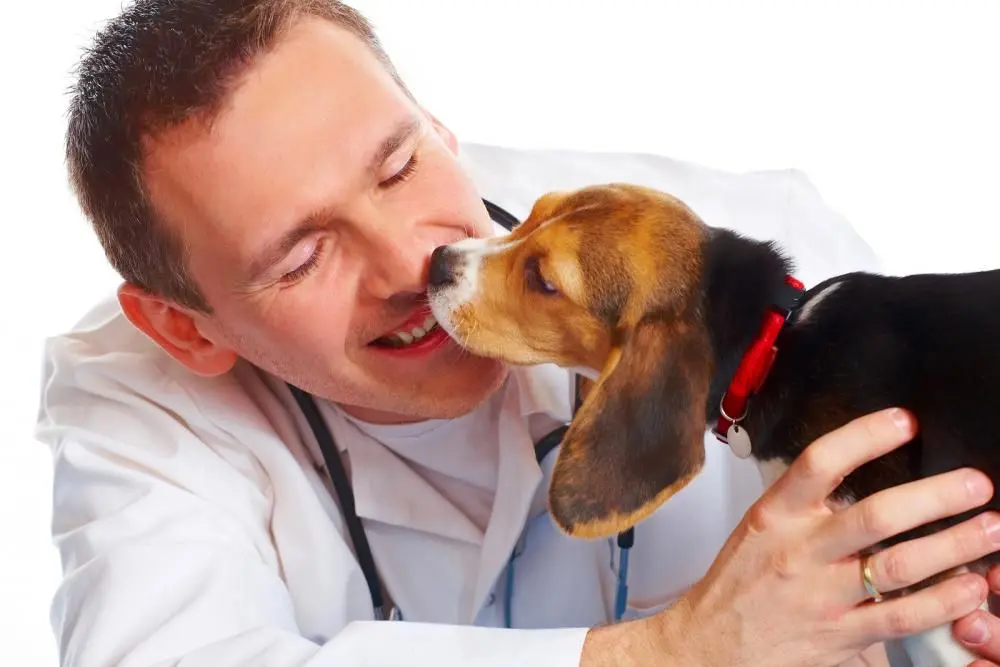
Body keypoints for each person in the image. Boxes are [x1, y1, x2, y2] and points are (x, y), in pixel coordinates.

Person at [33, 1, 1000, 665]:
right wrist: (673, 650)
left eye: (400, 165)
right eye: (300, 259)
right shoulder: (135, 404)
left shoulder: (726, 261)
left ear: (436, 126)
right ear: (181, 325)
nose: (411, 265)